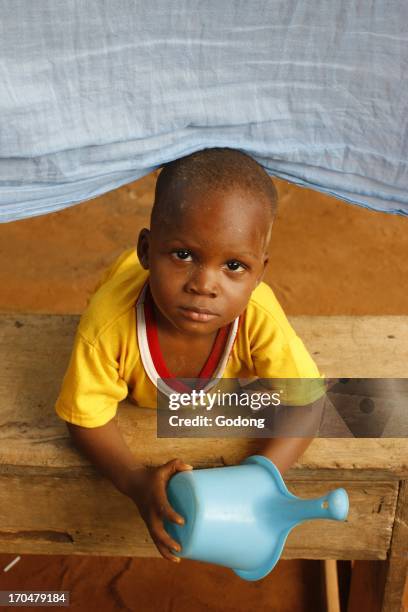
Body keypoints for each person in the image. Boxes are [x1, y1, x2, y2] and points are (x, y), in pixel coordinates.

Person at [55, 147, 322, 563]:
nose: (204, 284)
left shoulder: (258, 316)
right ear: (147, 250)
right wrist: (135, 481)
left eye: (234, 265)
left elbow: (307, 402)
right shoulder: (107, 328)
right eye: (183, 255)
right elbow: (84, 419)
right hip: (122, 285)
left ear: (259, 273)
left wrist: (260, 477)